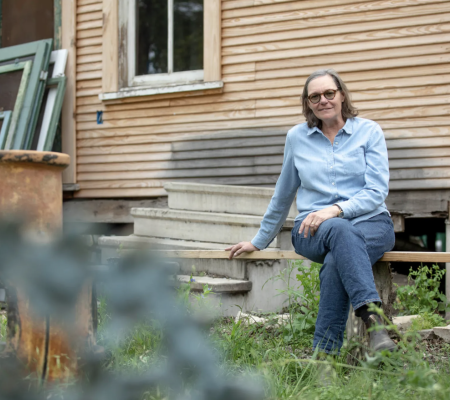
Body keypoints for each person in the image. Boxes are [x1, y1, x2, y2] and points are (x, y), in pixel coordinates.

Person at [226, 69, 396, 354]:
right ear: (307, 103)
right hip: (312, 230)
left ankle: (324, 358)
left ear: (342, 95)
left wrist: (335, 209)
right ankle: (375, 323)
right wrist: (259, 240)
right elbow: (284, 193)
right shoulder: (296, 137)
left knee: (335, 262)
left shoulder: (369, 131)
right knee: (340, 231)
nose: (323, 100)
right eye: (314, 96)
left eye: (329, 93)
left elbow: (377, 190)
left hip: (372, 224)